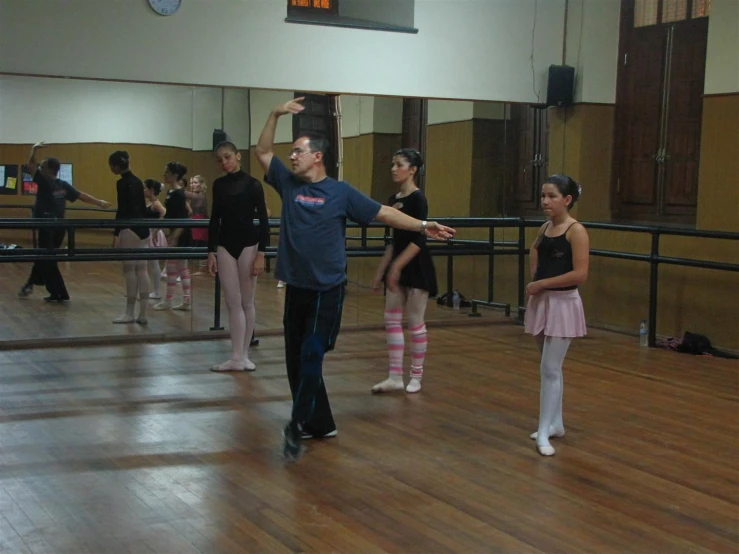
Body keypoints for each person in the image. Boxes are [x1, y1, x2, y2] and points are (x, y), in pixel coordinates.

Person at [254, 97, 455, 460]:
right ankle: (321, 423)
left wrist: (425, 226)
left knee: (313, 352)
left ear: (318, 157)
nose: (293, 156)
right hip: (296, 288)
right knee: (297, 361)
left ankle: (296, 424)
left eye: (299, 151)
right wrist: (274, 114)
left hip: (326, 290)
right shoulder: (288, 183)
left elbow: (386, 215)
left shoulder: (341, 193)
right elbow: (263, 151)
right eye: (293, 151)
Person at [524, 175, 589, 457]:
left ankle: (544, 430)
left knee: (550, 368)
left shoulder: (576, 231)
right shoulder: (545, 227)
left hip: (563, 303)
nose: (544, 201)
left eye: (551, 196)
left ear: (567, 200)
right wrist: (535, 278)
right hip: (543, 300)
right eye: (543, 195)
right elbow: (535, 250)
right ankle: (556, 424)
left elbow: (580, 273)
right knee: (549, 367)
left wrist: (542, 283)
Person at [370, 149, 438, 394]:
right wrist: (382, 270)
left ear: (413, 170)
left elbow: (419, 240)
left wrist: (397, 267)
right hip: (398, 261)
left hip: (416, 263)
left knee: (415, 321)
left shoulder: (418, 199)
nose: (393, 168)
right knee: (391, 318)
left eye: (399, 164)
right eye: (392, 163)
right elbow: (393, 240)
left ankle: (416, 376)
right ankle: (394, 375)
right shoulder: (392, 198)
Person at [18, 142, 110, 302]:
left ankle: (53, 290)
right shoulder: (63, 185)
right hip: (59, 228)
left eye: (43, 166)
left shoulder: (44, 181)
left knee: (46, 258)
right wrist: (99, 202)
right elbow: (81, 195)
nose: (40, 168)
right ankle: (38, 286)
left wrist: (34, 149)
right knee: (47, 258)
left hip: (48, 227)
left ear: (47, 170)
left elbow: (31, 166)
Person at [207, 141, 269, 372]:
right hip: (225, 246)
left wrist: (262, 253)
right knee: (232, 302)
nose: (224, 162)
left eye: (227, 157)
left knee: (246, 301)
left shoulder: (253, 184)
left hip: (249, 245)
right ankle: (235, 357)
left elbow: (263, 221)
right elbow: (215, 219)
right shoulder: (218, 185)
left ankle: (244, 355)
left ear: (238, 156)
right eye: (220, 159)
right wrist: (210, 251)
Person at [109, 150, 151, 324]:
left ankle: (129, 312)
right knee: (142, 270)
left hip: (129, 229)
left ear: (116, 166)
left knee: (129, 271)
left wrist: (116, 232)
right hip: (143, 230)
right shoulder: (138, 182)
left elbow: (122, 210)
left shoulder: (122, 183)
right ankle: (143, 313)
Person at [154, 162, 192, 311]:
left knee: (173, 267)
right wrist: (158, 229)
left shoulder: (178, 193)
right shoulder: (172, 192)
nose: (164, 175)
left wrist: (175, 236)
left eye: (167, 173)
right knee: (181, 268)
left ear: (175, 175)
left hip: (180, 234)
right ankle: (185, 301)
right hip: (176, 232)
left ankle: (169, 300)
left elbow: (184, 216)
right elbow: (172, 214)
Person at [143, 179, 167, 299]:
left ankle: (157, 291)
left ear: (151, 190)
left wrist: (157, 229)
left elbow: (165, 213)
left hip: (153, 234)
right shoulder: (148, 203)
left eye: (145, 188)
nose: (143, 190)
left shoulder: (156, 204)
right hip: (148, 233)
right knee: (147, 264)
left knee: (154, 264)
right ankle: (146, 290)